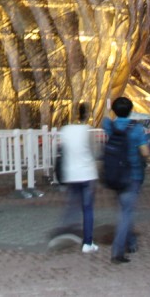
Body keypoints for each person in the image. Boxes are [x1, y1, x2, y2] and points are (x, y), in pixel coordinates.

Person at [102, 96, 150, 265]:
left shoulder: (109, 125)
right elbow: (145, 152)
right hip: (132, 175)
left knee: (125, 210)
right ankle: (117, 251)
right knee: (126, 213)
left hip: (114, 174)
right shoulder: (136, 129)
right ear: (131, 110)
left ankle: (131, 242)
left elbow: (104, 119)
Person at [57, 103, 99, 253]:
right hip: (87, 173)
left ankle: (64, 231)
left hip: (71, 173)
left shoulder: (65, 130)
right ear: (86, 114)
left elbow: (60, 150)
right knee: (87, 208)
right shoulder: (87, 130)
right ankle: (87, 242)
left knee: (72, 205)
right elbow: (93, 152)